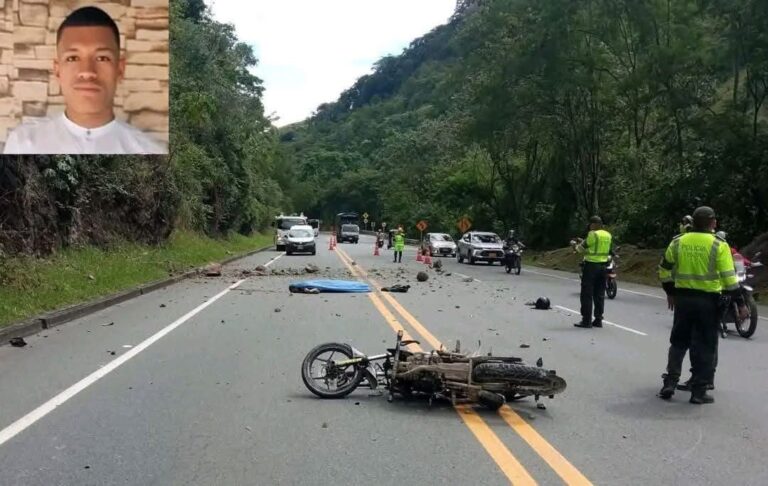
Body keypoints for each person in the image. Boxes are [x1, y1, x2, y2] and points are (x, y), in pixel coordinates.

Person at [3, 6, 166, 154]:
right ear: (57, 70)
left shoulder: (151, 154)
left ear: (120, 69)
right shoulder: (23, 145)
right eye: (73, 58)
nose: (87, 72)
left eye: (102, 58)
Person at [658, 206, 746, 404]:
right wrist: (740, 302)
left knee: (679, 341)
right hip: (708, 302)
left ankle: (670, 382)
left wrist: (670, 291)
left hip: (683, 300)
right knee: (705, 345)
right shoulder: (719, 245)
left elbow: (664, 269)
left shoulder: (678, 241)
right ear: (713, 222)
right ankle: (699, 391)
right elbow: (729, 278)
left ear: (693, 222)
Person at [572, 216, 613, 328]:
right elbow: (607, 249)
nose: (590, 226)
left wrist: (574, 246)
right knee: (599, 294)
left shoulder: (592, 234)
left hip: (591, 266)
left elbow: (581, 248)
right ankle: (598, 320)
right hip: (603, 267)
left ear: (594, 224)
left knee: (587, 293)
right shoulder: (608, 235)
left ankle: (586, 320)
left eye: (590, 224)